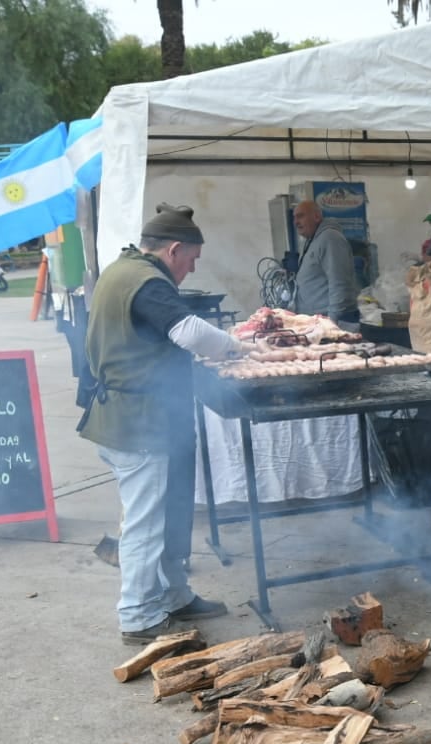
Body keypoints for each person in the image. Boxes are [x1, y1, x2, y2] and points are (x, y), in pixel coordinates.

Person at [78, 204, 247, 645]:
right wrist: (235, 348)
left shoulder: (123, 269)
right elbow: (189, 332)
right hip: (138, 423)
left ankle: (174, 595)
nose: (190, 271)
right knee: (145, 523)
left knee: (170, 512)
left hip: (146, 416)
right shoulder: (147, 281)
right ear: (173, 250)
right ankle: (137, 616)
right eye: (190, 261)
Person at [291, 200, 360, 328]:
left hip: (331, 323)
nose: (296, 222)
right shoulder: (311, 241)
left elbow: (339, 283)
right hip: (316, 322)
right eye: (294, 218)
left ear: (316, 217)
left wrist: (332, 323)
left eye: (300, 216)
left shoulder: (330, 238)